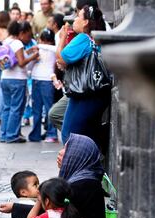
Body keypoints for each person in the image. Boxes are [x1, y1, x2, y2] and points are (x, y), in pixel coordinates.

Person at [56, 5, 110, 147]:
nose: (74, 20)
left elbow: (61, 59)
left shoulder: (83, 39)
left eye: (78, 17)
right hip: (98, 91)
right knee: (87, 132)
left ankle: (78, 163)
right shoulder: (95, 39)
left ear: (86, 22)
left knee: (69, 134)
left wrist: (62, 37)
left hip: (84, 92)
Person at [58, 133, 107, 218]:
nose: (61, 152)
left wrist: (16, 208)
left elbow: (51, 211)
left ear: (77, 155)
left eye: (67, 149)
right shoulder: (86, 179)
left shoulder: (80, 185)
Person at [0, 21, 39, 143]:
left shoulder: (6, 41)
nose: (29, 38)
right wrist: (34, 56)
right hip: (17, 80)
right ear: (21, 32)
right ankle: (12, 135)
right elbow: (21, 63)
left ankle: (4, 134)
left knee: (7, 108)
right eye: (27, 34)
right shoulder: (17, 43)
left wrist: (29, 51)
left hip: (5, 78)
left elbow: (16, 58)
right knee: (16, 108)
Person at [28, 28, 59, 143]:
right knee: (36, 110)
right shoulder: (38, 50)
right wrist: (33, 56)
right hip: (36, 79)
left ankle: (52, 134)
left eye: (48, 40)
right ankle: (35, 134)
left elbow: (56, 48)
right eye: (43, 40)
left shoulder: (53, 49)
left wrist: (40, 46)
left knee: (49, 109)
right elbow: (29, 66)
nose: (45, 43)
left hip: (47, 81)